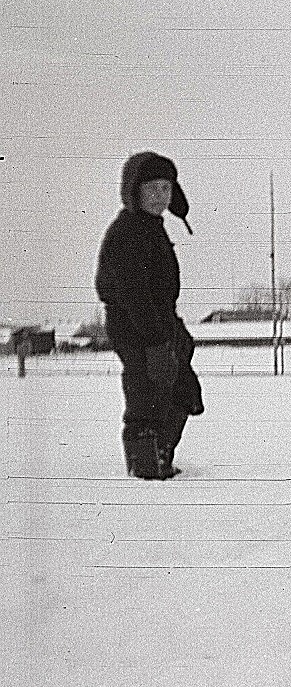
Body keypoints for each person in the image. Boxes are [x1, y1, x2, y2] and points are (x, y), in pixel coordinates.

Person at [94, 151, 204, 480]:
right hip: (136, 328)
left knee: (180, 388)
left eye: (166, 188)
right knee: (146, 392)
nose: (160, 196)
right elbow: (133, 294)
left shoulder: (151, 228)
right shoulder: (127, 232)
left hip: (159, 324)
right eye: (152, 188)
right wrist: (157, 342)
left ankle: (161, 455)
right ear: (135, 191)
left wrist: (174, 333)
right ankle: (146, 465)